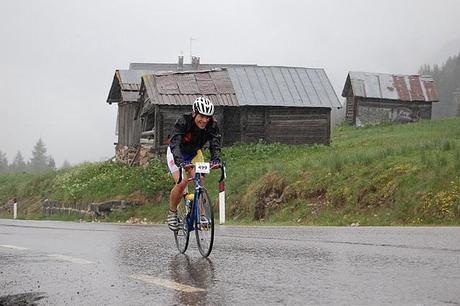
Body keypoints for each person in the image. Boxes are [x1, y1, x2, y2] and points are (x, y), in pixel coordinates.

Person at [166, 96, 222, 230]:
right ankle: (172, 213)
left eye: (207, 117)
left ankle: (202, 215)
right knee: (182, 182)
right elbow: (175, 144)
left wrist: (215, 159)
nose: (204, 120)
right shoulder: (183, 121)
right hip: (176, 153)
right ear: (194, 113)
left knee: (200, 180)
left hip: (195, 153)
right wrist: (180, 162)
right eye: (202, 116)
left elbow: (215, 143)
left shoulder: (211, 125)